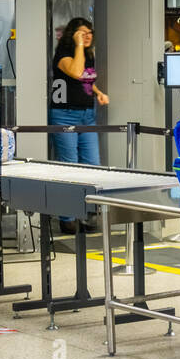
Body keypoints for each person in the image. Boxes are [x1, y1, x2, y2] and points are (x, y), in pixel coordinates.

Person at [50, 18, 109, 232]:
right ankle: (68, 217)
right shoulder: (64, 55)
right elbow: (75, 71)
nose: (87, 36)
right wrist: (78, 46)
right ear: (72, 34)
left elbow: (85, 79)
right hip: (64, 115)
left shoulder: (87, 55)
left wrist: (98, 92)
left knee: (91, 164)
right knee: (70, 167)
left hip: (87, 115)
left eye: (89, 33)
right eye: (81, 33)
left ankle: (87, 213)